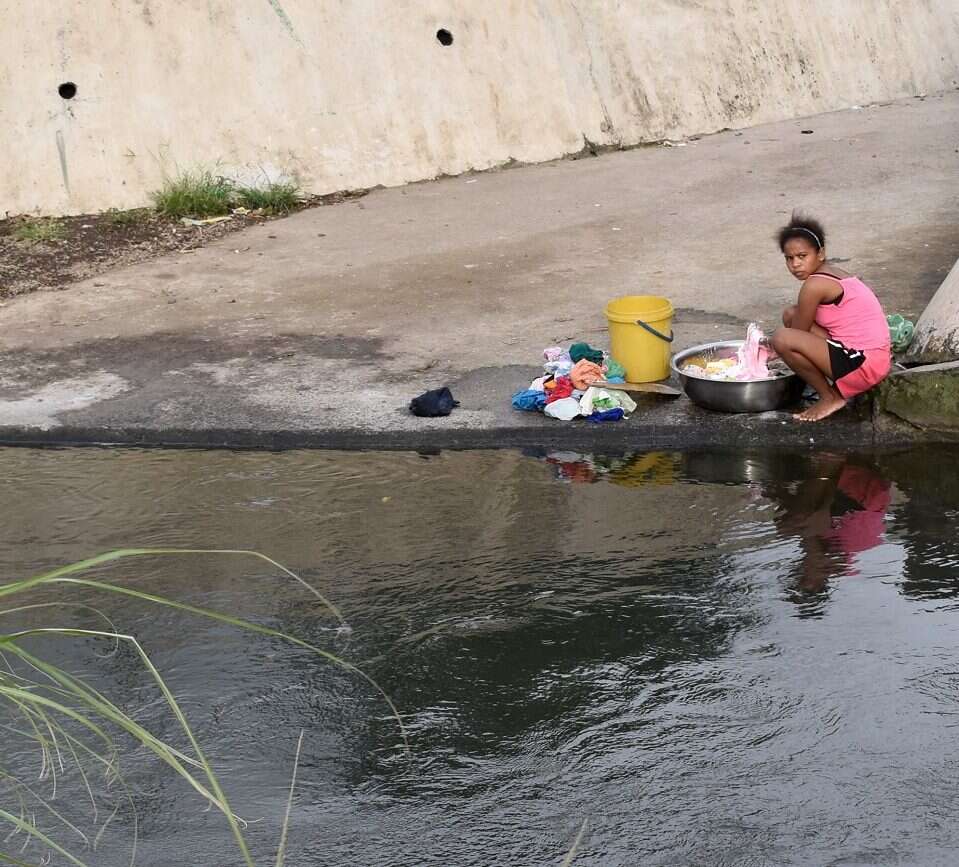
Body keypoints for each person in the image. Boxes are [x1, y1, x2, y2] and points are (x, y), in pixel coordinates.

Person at [770, 214, 892, 422]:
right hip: (872, 357)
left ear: (821, 253)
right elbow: (798, 323)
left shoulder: (814, 285)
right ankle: (833, 385)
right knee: (791, 314)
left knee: (781, 338)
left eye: (802, 256)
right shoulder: (833, 273)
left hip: (865, 364)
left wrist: (766, 352)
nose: (795, 264)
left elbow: (795, 335)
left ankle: (830, 397)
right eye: (789, 258)